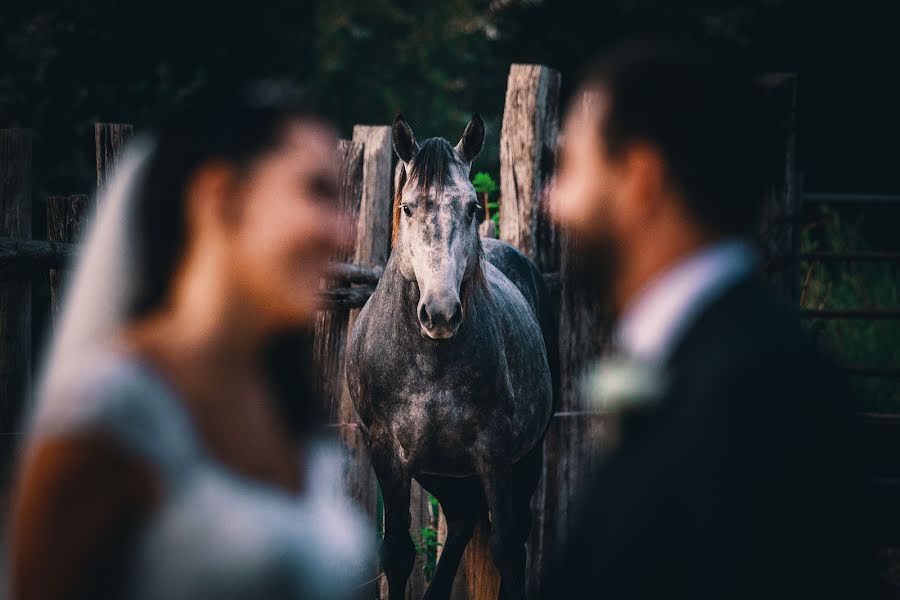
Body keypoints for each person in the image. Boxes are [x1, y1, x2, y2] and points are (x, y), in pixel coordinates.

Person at [8, 83, 372, 599]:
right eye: (316, 192)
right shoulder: (109, 412)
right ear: (219, 196)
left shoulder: (283, 402)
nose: (346, 231)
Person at [545, 39, 872, 598]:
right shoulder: (695, 358)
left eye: (572, 169)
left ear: (639, 180)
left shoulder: (768, 393)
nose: (554, 201)